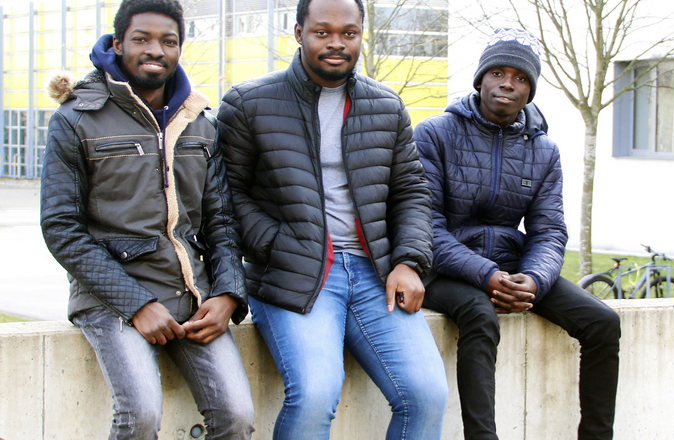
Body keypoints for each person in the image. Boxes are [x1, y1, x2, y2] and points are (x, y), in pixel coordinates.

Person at [216, 0, 449, 438]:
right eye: (323, 32)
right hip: (291, 273)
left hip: (375, 272)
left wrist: (409, 261)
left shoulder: (386, 105)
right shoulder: (249, 103)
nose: (336, 43)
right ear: (299, 31)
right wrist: (281, 245)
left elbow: (412, 193)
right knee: (317, 394)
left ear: (363, 34)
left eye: (349, 32)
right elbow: (227, 199)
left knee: (426, 394)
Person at [40, 1, 255, 438]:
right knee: (139, 417)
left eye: (168, 41)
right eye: (142, 39)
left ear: (179, 48)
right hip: (110, 298)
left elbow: (221, 222)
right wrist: (136, 304)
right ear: (118, 44)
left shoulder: (200, 122)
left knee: (236, 416)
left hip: (190, 295)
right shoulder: (76, 118)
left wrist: (229, 293)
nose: (155, 50)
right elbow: (61, 228)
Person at [414, 28, 621, 440]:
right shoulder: (435, 134)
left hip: (512, 268)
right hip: (444, 267)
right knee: (479, 314)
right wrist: (486, 274)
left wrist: (535, 279)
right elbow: (426, 227)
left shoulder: (543, 150)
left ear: (530, 90)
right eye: (498, 73)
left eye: (521, 78)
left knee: (603, 322)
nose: (508, 84)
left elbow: (549, 230)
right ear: (480, 80)